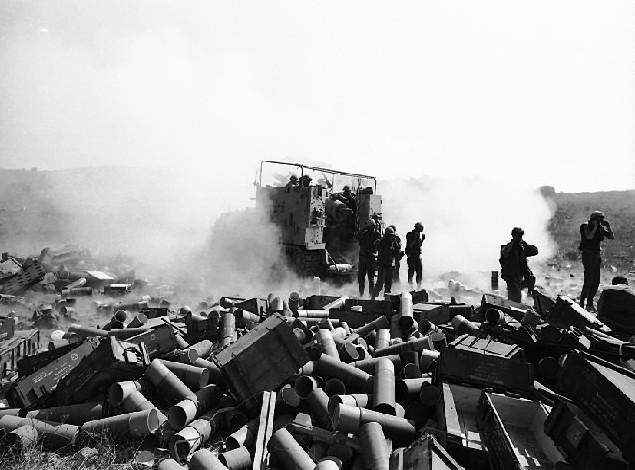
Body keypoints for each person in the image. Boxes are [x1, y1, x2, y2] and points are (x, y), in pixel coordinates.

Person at [579, 210, 614, 312]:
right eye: (597, 219)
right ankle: (581, 303)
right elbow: (589, 236)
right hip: (588, 255)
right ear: (592, 219)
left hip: (596, 255)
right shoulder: (584, 226)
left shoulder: (600, 228)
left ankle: (589, 303)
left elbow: (611, 237)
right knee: (588, 280)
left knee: (596, 281)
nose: (599, 221)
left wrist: (608, 226)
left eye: (601, 219)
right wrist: (594, 227)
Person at [499, 227, 538, 303]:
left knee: (531, 280)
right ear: (514, 236)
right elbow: (504, 258)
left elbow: (534, 251)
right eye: (518, 235)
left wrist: (524, 244)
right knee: (515, 299)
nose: (520, 237)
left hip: (518, 276)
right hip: (512, 277)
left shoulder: (521, 246)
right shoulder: (509, 247)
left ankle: (527, 298)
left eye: (521, 235)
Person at [372, 226, 401, 299]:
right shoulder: (382, 242)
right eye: (390, 236)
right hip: (383, 266)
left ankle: (386, 300)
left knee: (388, 285)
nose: (391, 237)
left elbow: (396, 252)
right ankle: (373, 297)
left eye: (392, 236)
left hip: (389, 266)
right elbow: (377, 247)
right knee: (380, 284)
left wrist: (395, 242)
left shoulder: (393, 243)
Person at [356, 219, 380, 297]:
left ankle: (370, 295)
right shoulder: (364, 234)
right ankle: (361, 294)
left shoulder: (376, 234)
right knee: (361, 278)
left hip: (370, 258)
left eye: (370, 227)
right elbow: (357, 236)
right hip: (363, 258)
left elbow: (378, 244)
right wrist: (363, 228)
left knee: (371, 278)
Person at [405, 222, 425, 289]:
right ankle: (410, 287)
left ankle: (419, 287)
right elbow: (410, 245)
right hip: (412, 256)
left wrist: (422, 240)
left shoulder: (418, 235)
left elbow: (418, 245)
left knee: (419, 272)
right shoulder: (410, 235)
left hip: (417, 255)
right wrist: (415, 238)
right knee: (411, 272)